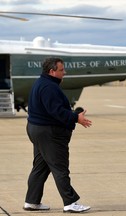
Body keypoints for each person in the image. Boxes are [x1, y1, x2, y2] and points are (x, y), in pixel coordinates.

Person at [23, 57, 92, 213]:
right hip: (48, 133)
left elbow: (51, 109)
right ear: (52, 71)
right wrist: (76, 118)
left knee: (40, 167)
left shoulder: (41, 83)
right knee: (60, 167)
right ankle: (70, 203)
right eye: (61, 70)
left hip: (37, 130)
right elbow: (56, 112)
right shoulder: (49, 87)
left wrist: (73, 114)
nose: (64, 72)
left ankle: (31, 201)